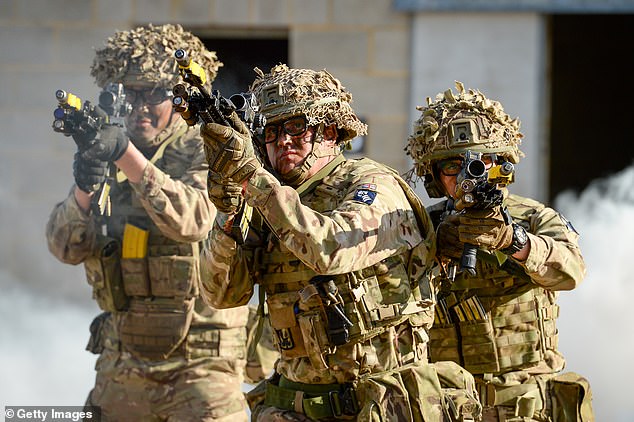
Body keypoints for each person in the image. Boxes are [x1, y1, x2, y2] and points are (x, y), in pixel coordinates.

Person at [197, 65, 481, 421]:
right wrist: (228, 212)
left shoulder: (372, 184)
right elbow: (221, 294)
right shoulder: (269, 200)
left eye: (296, 127)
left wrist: (251, 178)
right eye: (271, 131)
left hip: (377, 403)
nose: (283, 140)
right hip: (293, 403)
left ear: (330, 132)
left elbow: (330, 248)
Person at [46, 24, 251, 421]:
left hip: (201, 364)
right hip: (124, 359)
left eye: (155, 94)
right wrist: (85, 186)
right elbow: (65, 247)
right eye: (131, 94)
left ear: (178, 97)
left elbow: (194, 219)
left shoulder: (208, 144)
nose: (141, 106)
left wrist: (124, 154)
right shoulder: (111, 146)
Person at [405, 82, 595, 421]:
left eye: (481, 162)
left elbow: (571, 272)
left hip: (525, 402)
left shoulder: (533, 217)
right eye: (452, 165)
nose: (466, 174)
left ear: (501, 164)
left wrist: (514, 241)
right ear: (434, 175)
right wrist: (432, 252)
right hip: (447, 404)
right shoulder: (422, 227)